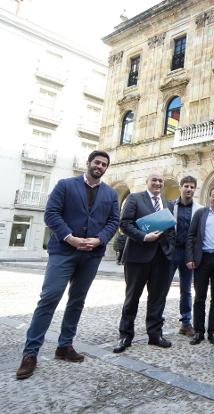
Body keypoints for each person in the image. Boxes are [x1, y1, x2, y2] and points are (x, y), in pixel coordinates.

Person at [16, 151, 120, 380]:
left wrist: (100, 239)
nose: (100, 166)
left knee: (77, 301)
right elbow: (51, 214)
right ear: (88, 163)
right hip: (64, 251)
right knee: (49, 298)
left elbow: (114, 221)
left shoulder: (111, 194)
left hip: (91, 255)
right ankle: (30, 353)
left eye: (104, 164)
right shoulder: (65, 185)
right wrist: (69, 237)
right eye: (97, 162)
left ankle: (65, 346)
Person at [113, 172, 176, 353]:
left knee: (157, 299)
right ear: (147, 182)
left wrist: (170, 248)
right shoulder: (134, 198)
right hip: (138, 257)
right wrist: (144, 236)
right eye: (154, 180)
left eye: (160, 181)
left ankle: (155, 334)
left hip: (162, 258)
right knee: (132, 298)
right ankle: (125, 336)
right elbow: (124, 224)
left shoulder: (167, 202)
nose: (157, 183)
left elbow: (171, 228)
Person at [185, 185, 214, 345]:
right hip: (202, 259)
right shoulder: (200, 214)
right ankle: (198, 332)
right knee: (199, 297)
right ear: (210, 197)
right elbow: (191, 236)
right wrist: (190, 257)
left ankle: (212, 332)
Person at [170, 176, 203, 337]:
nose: (189, 189)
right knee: (161, 288)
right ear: (180, 187)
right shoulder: (170, 206)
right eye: (186, 186)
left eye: (192, 187)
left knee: (186, 289)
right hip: (171, 252)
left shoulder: (199, 209)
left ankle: (186, 322)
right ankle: (156, 321)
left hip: (188, 253)